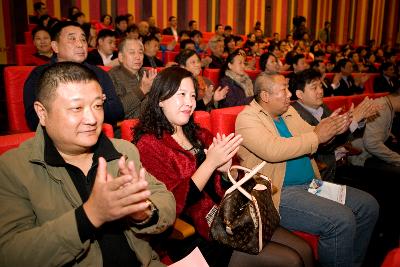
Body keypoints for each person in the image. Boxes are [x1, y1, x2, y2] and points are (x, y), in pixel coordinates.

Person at [135, 66, 314, 267]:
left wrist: (227, 171)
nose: (189, 103)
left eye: (193, 96)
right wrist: (210, 164)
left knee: (305, 250)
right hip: (197, 234)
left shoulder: (199, 133)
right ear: (160, 99)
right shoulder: (149, 144)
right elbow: (171, 204)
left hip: (233, 216)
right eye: (181, 95)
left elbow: (231, 184)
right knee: (292, 260)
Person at [0, 62, 176, 267]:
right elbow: (10, 254)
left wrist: (143, 213)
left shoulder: (123, 151)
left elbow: (165, 200)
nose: (92, 118)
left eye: (98, 106)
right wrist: (89, 216)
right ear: (42, 113)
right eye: (76, 108)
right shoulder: (13, 168)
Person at [235, 73, 379, 267]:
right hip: (279, 193)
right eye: (283, 90)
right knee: (341, 220)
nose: (289, 94)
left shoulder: (288, 113)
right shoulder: (247, 119)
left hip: (313, 186)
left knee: (368, 205)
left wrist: (346, 122)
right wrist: (317, 136)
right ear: (265, 96)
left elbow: (316, 133)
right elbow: (273, 150)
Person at [23, 21, 124, 131]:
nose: (80, 44)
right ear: (55, 46)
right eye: (72, 39)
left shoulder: (98, 73)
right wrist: (92, 104)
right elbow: (34, 120)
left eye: (83, 39)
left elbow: (117, 112)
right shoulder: (39, 75)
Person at [291, 69, 379, 181]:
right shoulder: (296, 115)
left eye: (321, 86)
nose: (320, 91)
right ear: (300, 94)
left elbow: (347, 137)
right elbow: (320, 148)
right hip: (320, 174)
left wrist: (358, 120)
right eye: (314, 88)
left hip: (338, 164)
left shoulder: (322, 107)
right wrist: (351, 121)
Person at [108, 38, 157, 119]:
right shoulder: (111, 77)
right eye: (132, 52)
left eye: (140, 53)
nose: (138, 57)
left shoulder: (149, 74)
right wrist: (142, 90)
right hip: (125, 129)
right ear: (121, 57)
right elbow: (117, 111)